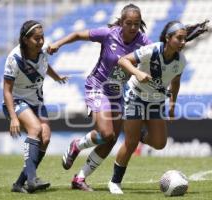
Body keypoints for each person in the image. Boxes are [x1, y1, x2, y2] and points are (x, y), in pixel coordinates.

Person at [47, 4, 151, 191]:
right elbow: (78, 35)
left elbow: (158, 54)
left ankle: (79, 179)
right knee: (107, 133)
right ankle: (77, 145)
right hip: (98, 87)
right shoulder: (108, 34)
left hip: (118, 93)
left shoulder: (144, 41)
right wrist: (57, 44)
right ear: (121, 22)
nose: (133, 27)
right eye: (129, 23)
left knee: (111, 139)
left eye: (136, 23)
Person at [107, 20, 208, 194]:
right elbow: (123, 61)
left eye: (185, 39)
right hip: (135, 96)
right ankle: (115, 182)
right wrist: (138, 73)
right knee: (130, 143)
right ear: (168, 38)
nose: (183, 42)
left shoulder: (181, 61)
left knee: (160, 143)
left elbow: (175, 83)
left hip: (155, 101)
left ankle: (140, 135)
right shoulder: (153, 49)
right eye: (179, 38)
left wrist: (172, 104)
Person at [3, 20, 68, 193]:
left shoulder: (43, 51)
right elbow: (7, 90)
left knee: (45, 138)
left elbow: (44, 65)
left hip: (37, 102)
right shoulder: (14, 58)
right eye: (36, 39)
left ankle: (19, 184)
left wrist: (56, 77)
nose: (41, 42)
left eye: (42, 38)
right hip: (16, 101)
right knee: (36, 129)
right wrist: (14, 117)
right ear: (25, 40)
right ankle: (32, 180)